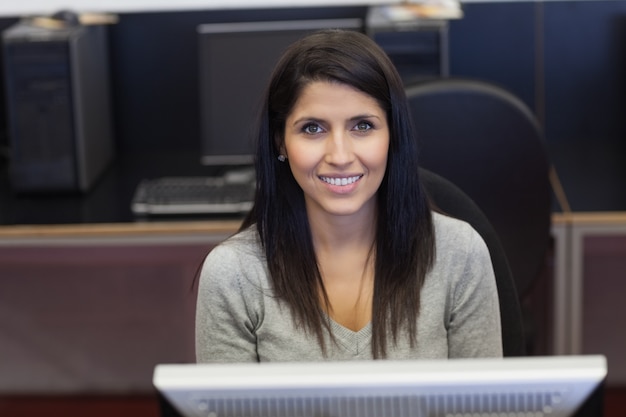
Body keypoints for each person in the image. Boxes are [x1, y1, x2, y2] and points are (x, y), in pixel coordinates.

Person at [195, 29, 502, 362]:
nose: (339, 156)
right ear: (280, 141)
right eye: (312, 128)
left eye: (363, 126)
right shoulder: (233, 275)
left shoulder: (460, 256)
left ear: (392, 135)